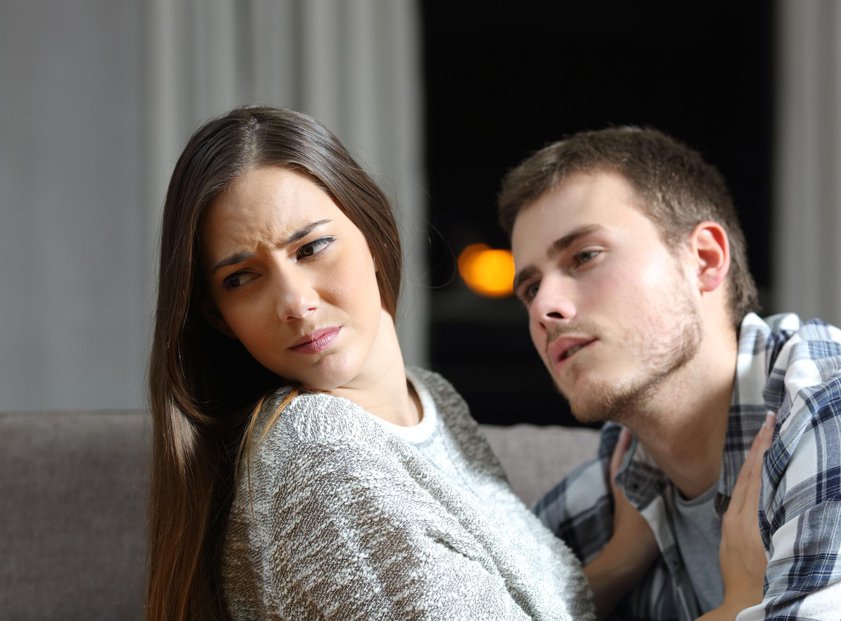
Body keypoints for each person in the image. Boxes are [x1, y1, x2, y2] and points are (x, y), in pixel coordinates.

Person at [145, 106, 595, 620]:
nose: (295, 302)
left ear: (373, 234)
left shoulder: (431, 399)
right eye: (242, 279)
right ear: (220, 318)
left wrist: (632, 541)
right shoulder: (318, 451)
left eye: (311, 247)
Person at [497, 126, 841, 620]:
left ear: (704, 260)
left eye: (585, 256)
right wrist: (614, 568)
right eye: (530, 288)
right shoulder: (627, 474)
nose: (544, 308)